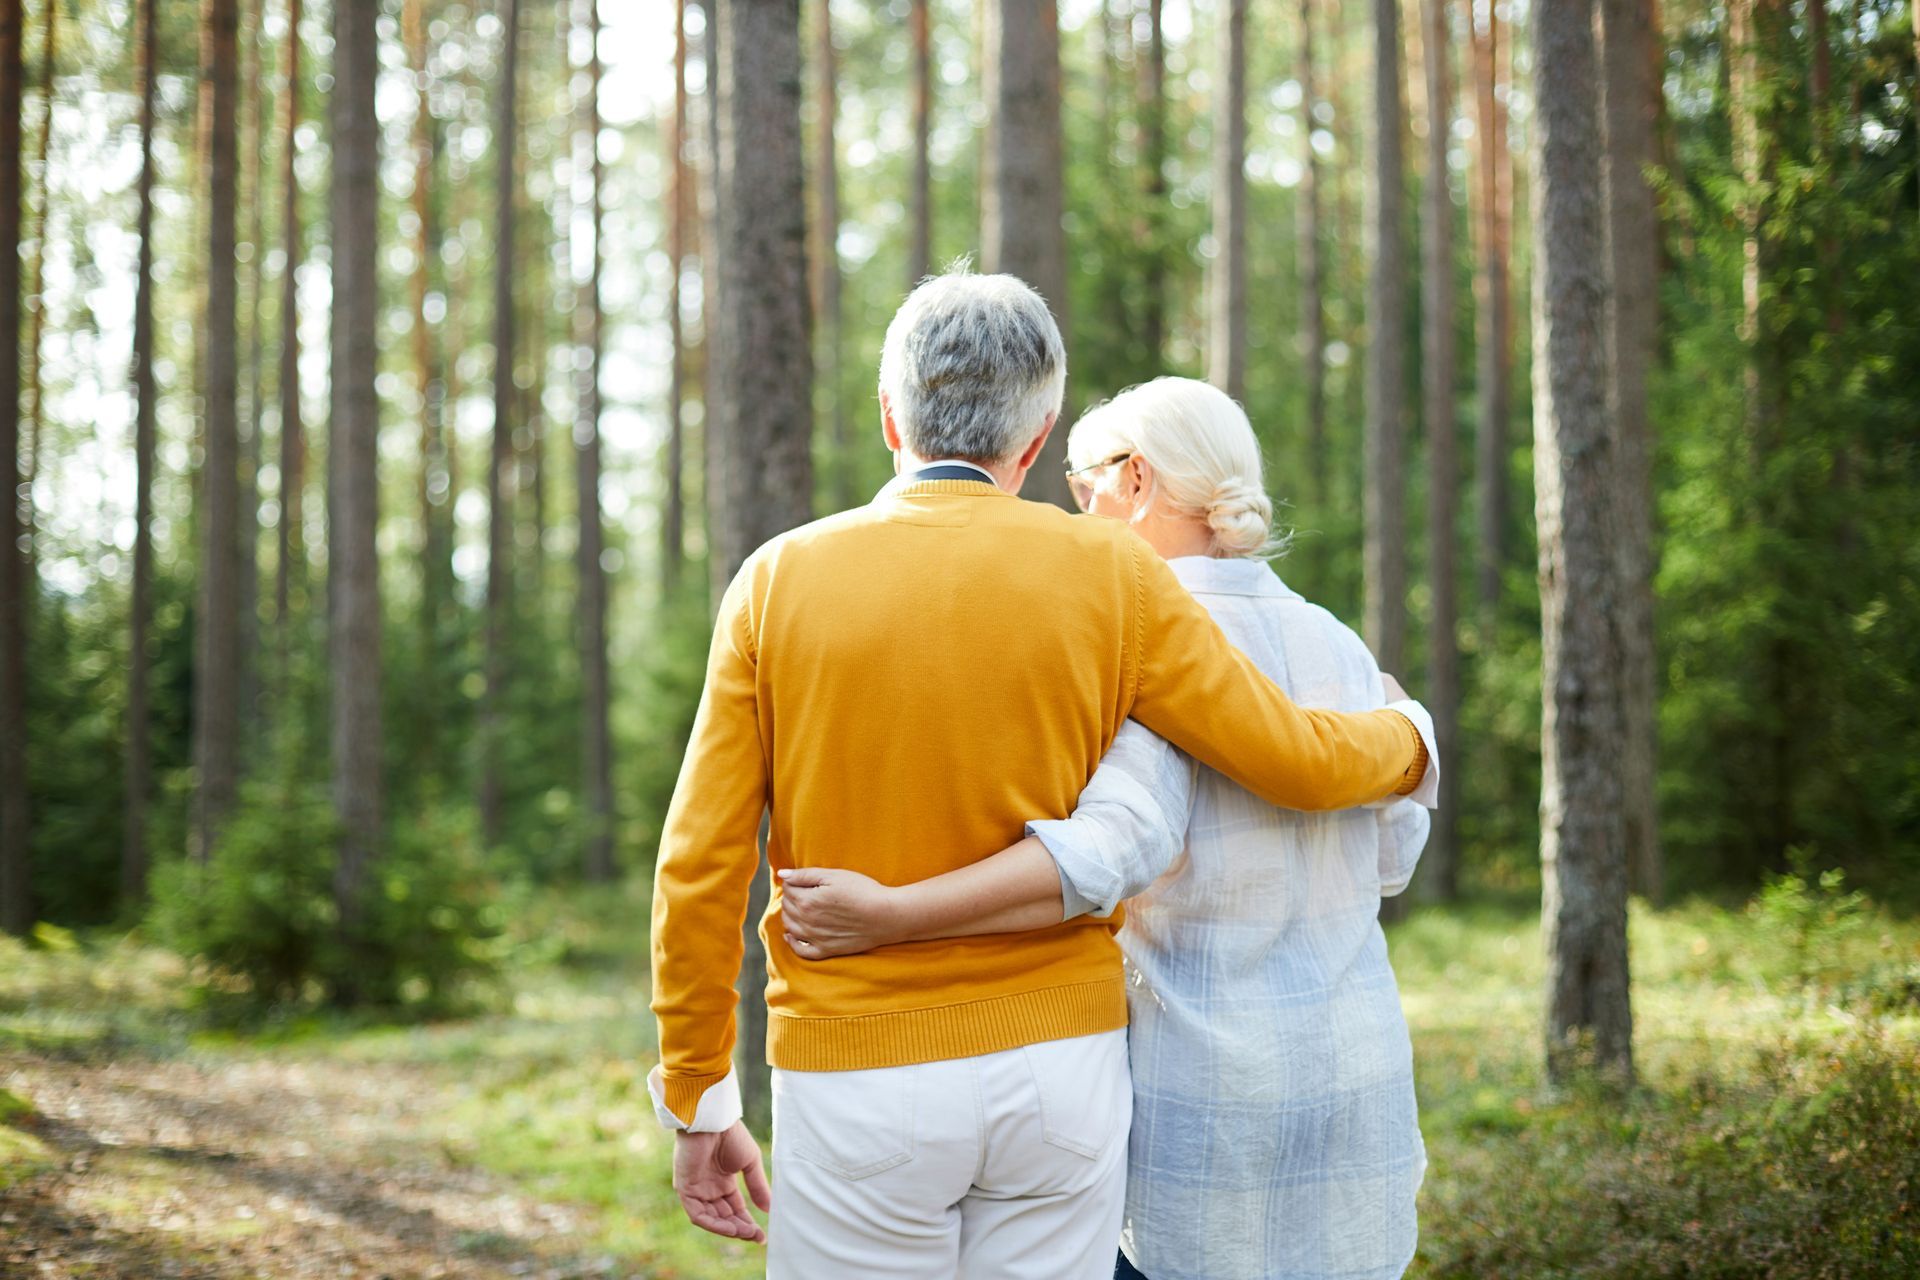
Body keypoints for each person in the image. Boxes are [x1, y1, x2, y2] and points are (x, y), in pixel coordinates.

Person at [648, 271, 1437, 1280]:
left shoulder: (779, 577)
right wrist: (1410, 741)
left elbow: (702, 862)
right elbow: (1287, 755)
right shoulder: (1115, 575)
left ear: (890, 413)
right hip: (1062, 1070)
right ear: (1036, 435)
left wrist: (700, 1093)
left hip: (855, 1069)